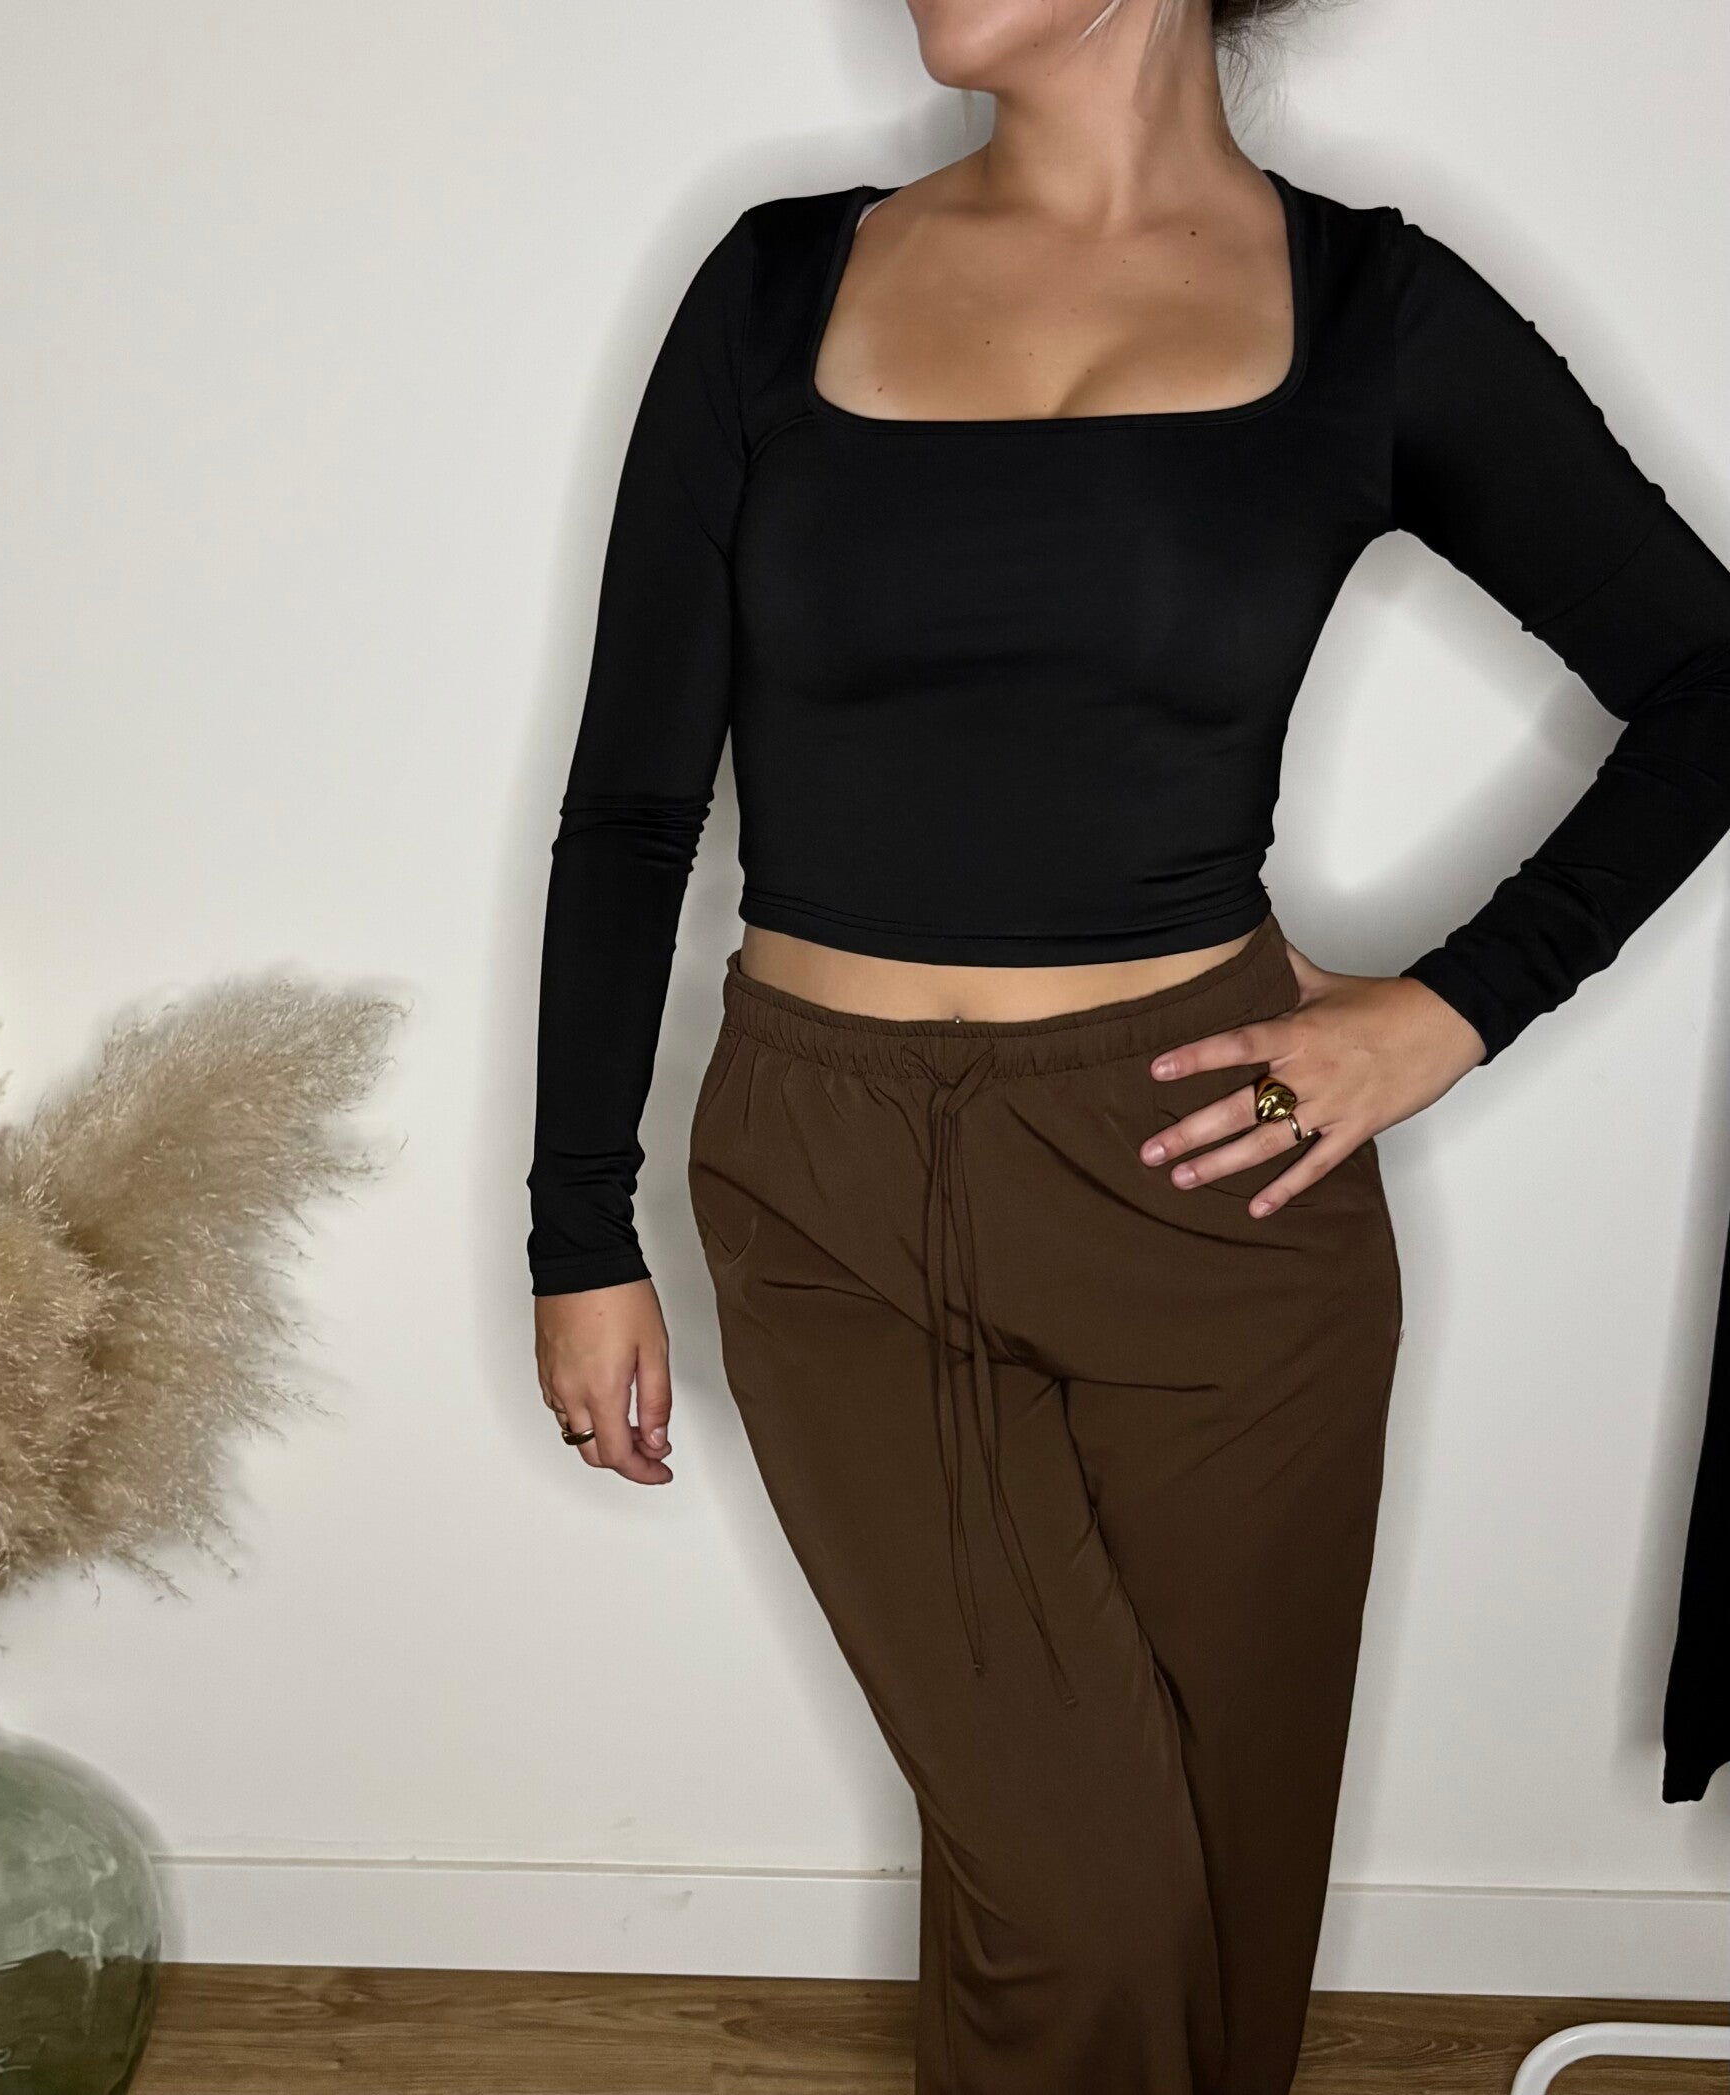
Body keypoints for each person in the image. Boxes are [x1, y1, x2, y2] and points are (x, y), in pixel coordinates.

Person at [528, 1, 1730, 2088]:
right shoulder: (777, 286)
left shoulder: (1370, 314)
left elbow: (1711, 678)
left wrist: (1453, 1009)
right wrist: (577, 1222)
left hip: (1208, 1189)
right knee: (1080, 1907)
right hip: (822, 1190)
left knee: (1222, 1920)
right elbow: (634, 802)